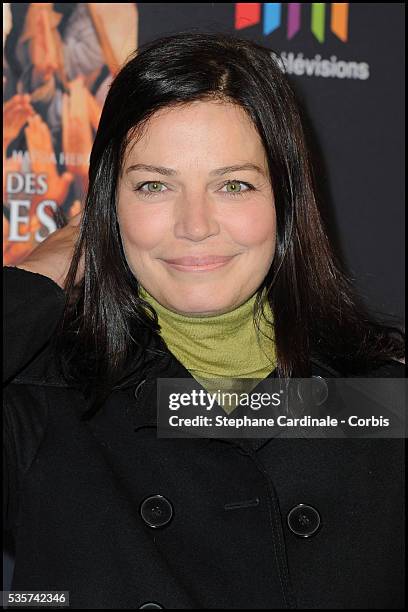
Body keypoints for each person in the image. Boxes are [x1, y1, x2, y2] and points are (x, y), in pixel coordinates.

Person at [3, 31, 405, 609]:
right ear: (107, 207)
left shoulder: (383, 401)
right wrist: (40, 275)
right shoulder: (42, 398)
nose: (195, 224)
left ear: (285, 201)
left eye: (234, 184)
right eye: (154, 185)